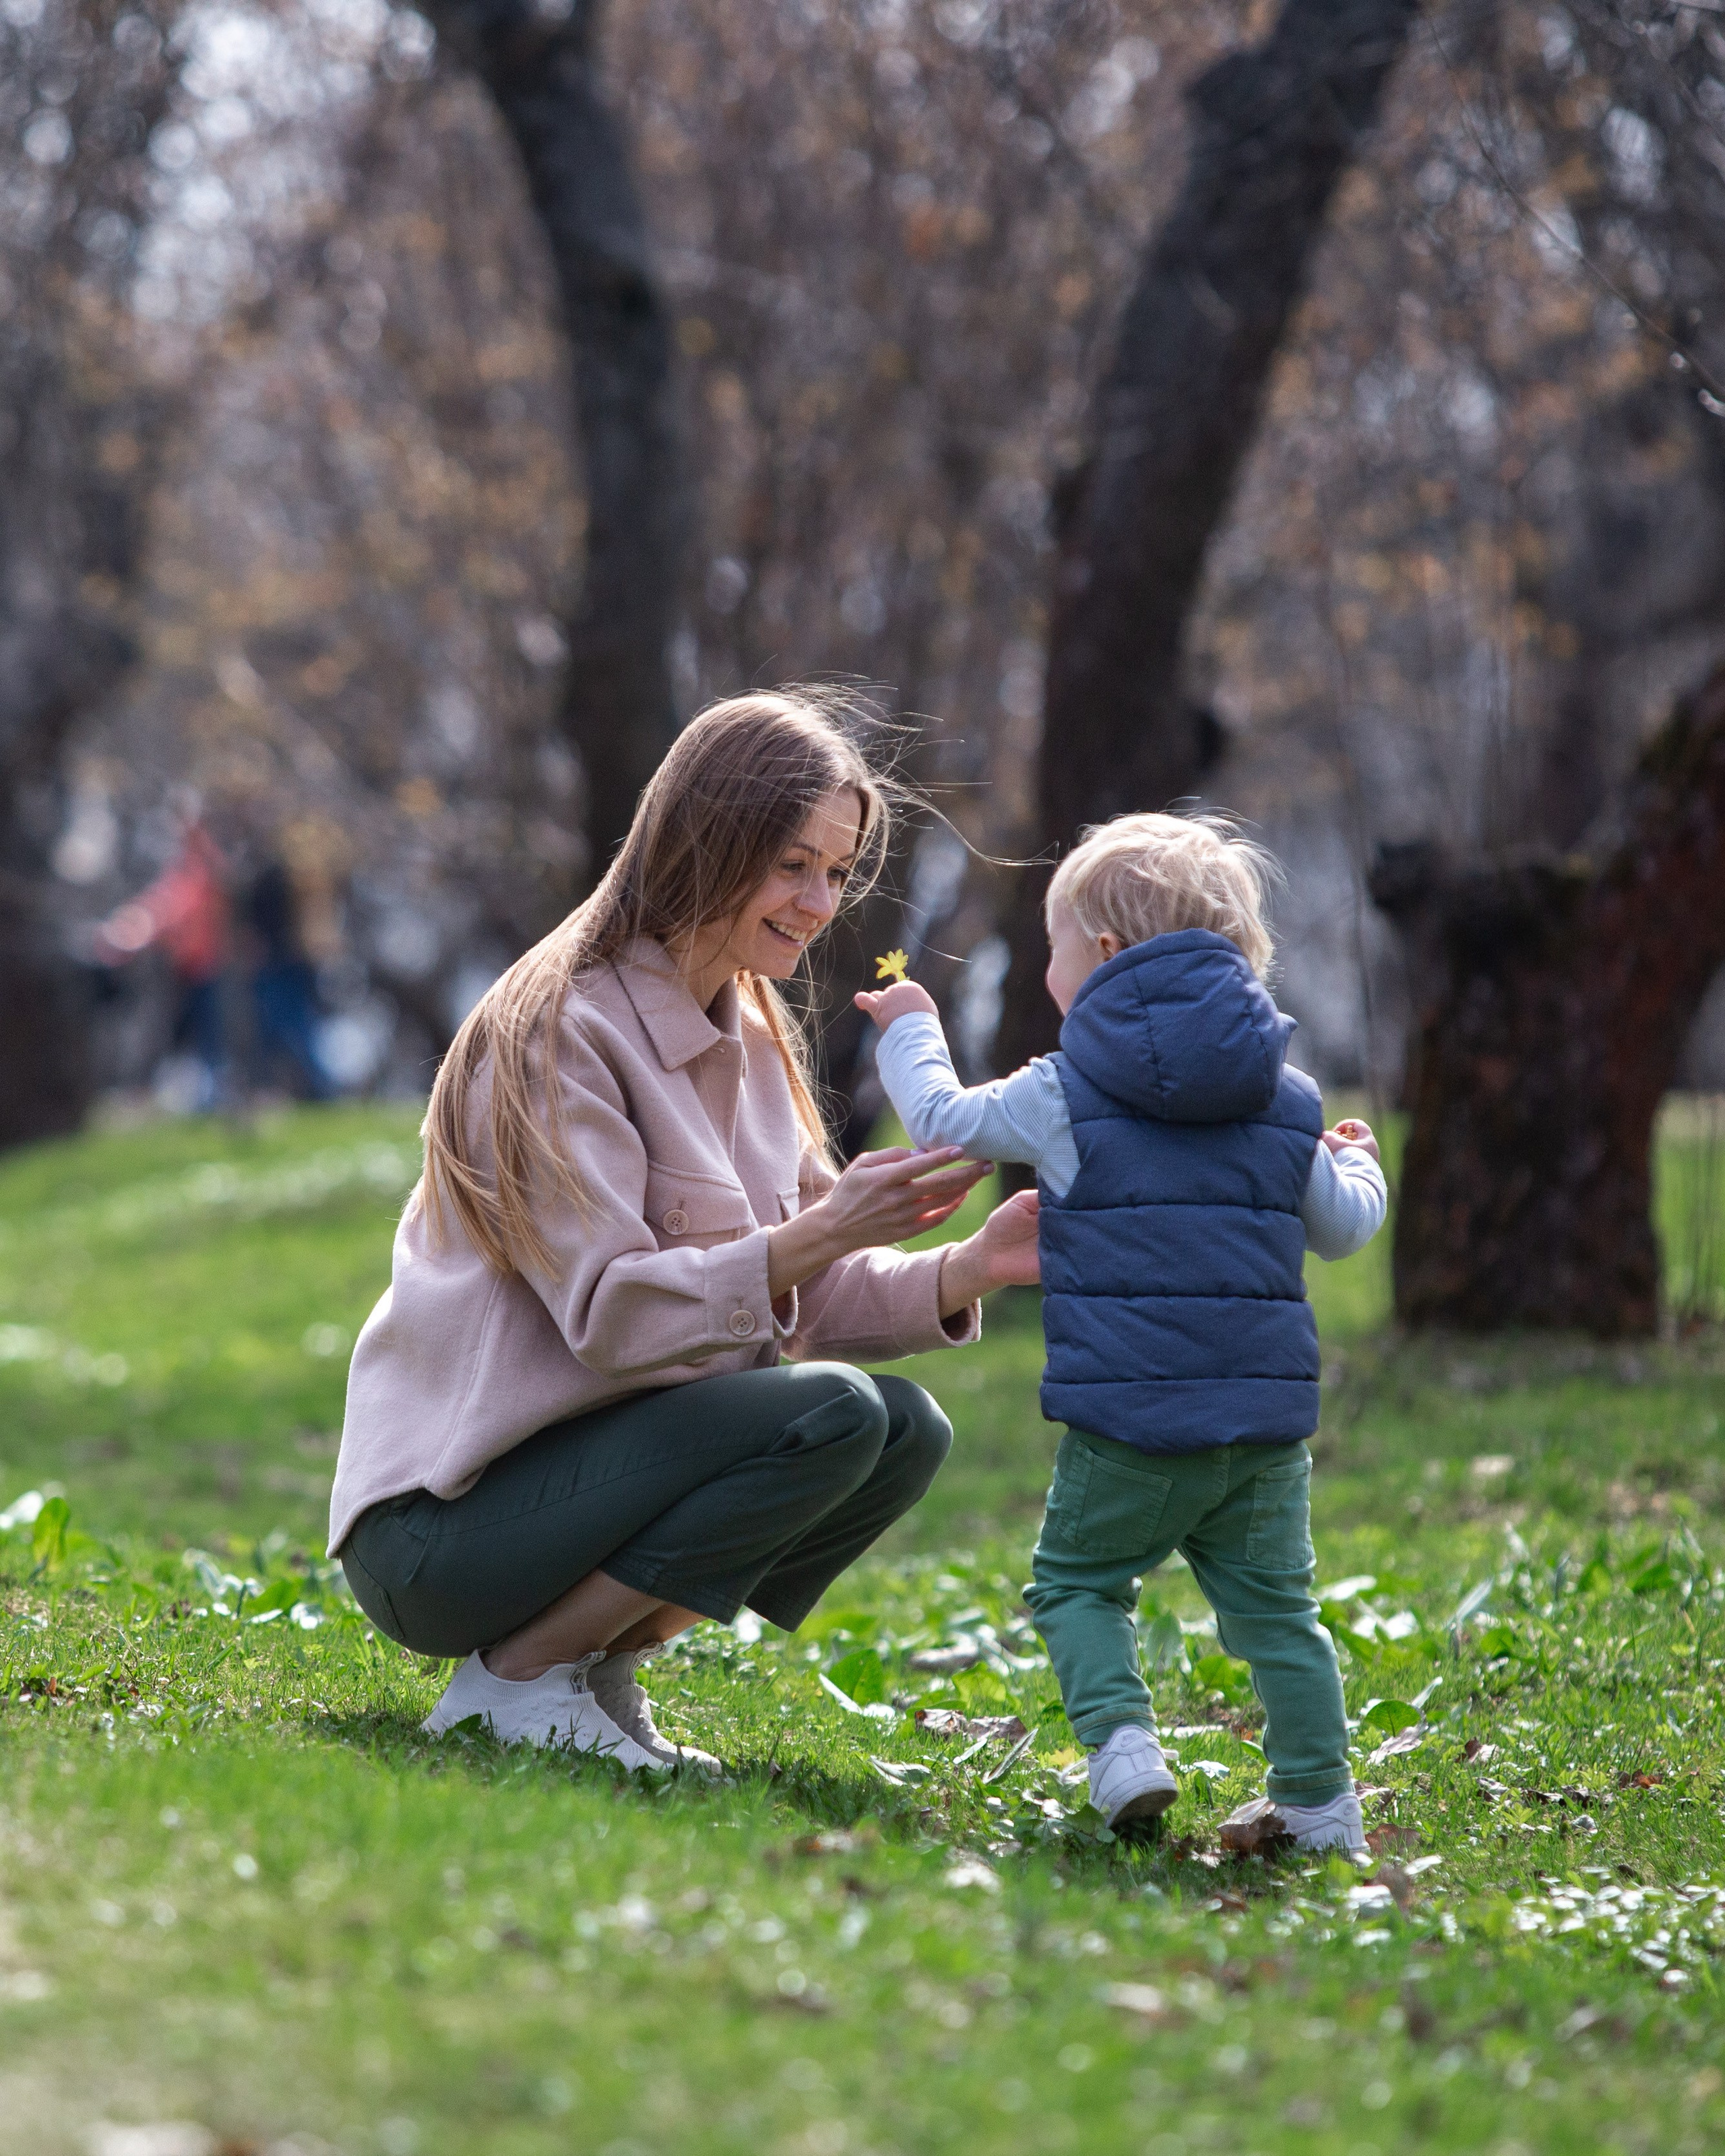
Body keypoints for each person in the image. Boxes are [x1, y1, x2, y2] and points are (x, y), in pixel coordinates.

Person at [329, 690, 1040, 1772]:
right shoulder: (560, 1030)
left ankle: (587, 1670)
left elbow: (801, 1297)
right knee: (838, 1415)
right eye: (792, 864)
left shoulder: (752, 1032)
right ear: (710, 841)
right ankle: (514, 1681)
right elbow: (612, 1317)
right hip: (443, 1529)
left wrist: (969, 1266)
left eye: (838, 871)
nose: (819, 902)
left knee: (904, 1431)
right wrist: (822, 1233)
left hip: (588, 1488)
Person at [856, 811, 1387, 1855]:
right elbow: (1343, 1230)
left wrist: (912, 1023)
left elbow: (944, 1124)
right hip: (1263, 1431)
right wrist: (1360, 1161)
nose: (1047, 971)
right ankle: (1323, 1807)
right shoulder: (1287, 1100)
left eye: (1052, 950)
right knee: (1280, 1617)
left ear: (1101, 953)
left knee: (1077, 1584)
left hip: (1128, 1425)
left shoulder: (1063, 1092)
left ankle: (1125, 1747)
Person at [93, 794, 232, 1110]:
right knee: (180, 1031)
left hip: (206, 964)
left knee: (207, 1031)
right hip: (180, 965)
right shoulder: (178, 865)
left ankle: (210, 1092)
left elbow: (188, 907)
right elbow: (163, 902)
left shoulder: (205, 865)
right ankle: (178, 1091)